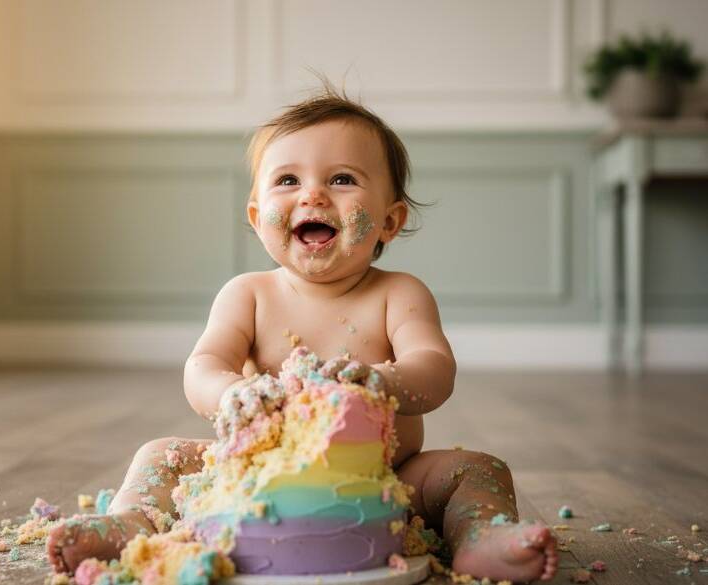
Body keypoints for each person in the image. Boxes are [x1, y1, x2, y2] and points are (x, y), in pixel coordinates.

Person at [48, 81, 557, 583]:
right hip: (252, 478)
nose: (312, 193)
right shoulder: (248, 294)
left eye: (341, 179)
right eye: (287, 181)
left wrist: (378, 382)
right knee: (160, 455)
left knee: (479, 469)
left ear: (389, 220)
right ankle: (132, 523)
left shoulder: (399, 293)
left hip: (383, 483)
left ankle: (480, 536)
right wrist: (233, 394)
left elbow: (435, 371)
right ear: (256, 215)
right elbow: (202, 367)